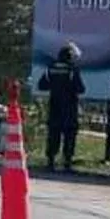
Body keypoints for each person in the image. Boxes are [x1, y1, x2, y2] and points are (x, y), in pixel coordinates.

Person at [37, 42, 85, 172]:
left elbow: (41, 85)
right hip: (69, 108)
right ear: (70, 57)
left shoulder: (50, 68)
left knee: (54, 134)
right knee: (69, 135)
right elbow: (80, 89)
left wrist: (55, 86)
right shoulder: (72, 69)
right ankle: (67, 162)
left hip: (54, 106)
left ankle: (51, 161)